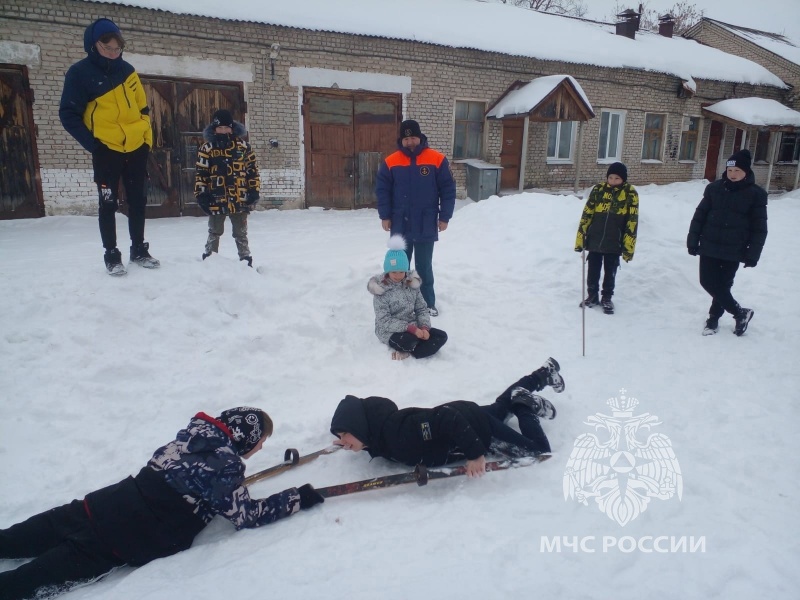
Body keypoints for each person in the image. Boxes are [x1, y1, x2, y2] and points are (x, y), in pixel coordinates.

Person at [0, 408, 323, 600]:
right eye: (261, 442)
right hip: (120, 540)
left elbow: (191, 479)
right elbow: (247, 516)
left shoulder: (190, 435)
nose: (260, 449)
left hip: (94, 507)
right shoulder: (226, 466)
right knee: (23, 584)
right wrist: (297, 498)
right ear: (246, 439)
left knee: (10, 539)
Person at [330, 358, 565, 477]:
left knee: (539, 452)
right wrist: (351, 443)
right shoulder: (377, 433)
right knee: (501, 406)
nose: (343, 440)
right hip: (466, 414)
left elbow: (446, 418)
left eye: (344, 434)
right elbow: (371, 440)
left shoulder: (399, 432)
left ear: (358, 425)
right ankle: (541, 375)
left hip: (472, 427)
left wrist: (474, 454)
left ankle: (524, 404)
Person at [59, 18, 159, 276]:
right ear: (94, 46)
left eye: (117, 49)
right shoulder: (79, 73)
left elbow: (143, 109)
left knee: (138, 201)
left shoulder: (128, 70)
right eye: (108, 48)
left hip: (136, 147)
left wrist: (146, 140)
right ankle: (112, 255)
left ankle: (139, 250)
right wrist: (95, 146)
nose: (114, 54)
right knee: (108, 203)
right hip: (107, 150)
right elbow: (68, 114)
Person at [376, 119, 456, 316]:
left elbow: (448, 189)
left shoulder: (437, 159)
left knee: (424, 266)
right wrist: (385, 215)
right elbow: (382, 191)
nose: (410, 142)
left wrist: (444, 217)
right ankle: (401, 302)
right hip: (399, 222)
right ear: (401, 140)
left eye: (413, 138)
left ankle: (428, 302)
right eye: (406, 138)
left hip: (425, 221)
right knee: (399, 266)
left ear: (420, 137)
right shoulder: (391, 161)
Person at [687, 149, 768, 336]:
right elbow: (699, 216)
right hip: (709, 244)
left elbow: (759, 229)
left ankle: (713, 319)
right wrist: (693, 240)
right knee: (707, 281)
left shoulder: (756, 195)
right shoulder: (714, 188)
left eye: (737, 171)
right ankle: (740, 313)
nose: (733, 175)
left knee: (722, 285)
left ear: (746, 172)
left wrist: (752, 254)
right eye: (730, 171)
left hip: (734, 248)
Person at [195, 109, 261, 267]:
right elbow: (201, 174)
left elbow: (252, 171)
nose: (223, 131)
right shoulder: (207, 149)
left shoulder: (243, 147)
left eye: (226, 127)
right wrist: (201, 194)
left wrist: (254, 190)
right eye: (219, 128)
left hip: (239, 198)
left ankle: (246, 261)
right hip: (216, 198)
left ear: (232, 128)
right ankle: (210, 261)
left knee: (241, 233)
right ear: (214, 128)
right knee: (214, 231)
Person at [368, 234, 448, 360]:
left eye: (401, 271)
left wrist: (424, 328)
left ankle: (411, 350)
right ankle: (413, 348)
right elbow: (384, 321)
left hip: (413, 326)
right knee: (408, 340)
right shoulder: (381, 289)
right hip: (390, 330)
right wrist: (411, 329)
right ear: (387, 270)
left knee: (441, 336)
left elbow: (421, 309)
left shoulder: (411, 284)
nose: (398, 275)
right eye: (394, 271)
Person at [574, 162, 639, 314]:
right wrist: (581, 237)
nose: (613, 181)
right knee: (593, 269)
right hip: (595, 238)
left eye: (617, 178)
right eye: (610, 177)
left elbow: (632, 220)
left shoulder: (630, 193)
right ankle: (592, 295)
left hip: (614, 240)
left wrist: (628, 246)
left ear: (623, 179)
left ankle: (607, 298)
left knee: (610, 270)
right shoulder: (598, 190)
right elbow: (587, 214)